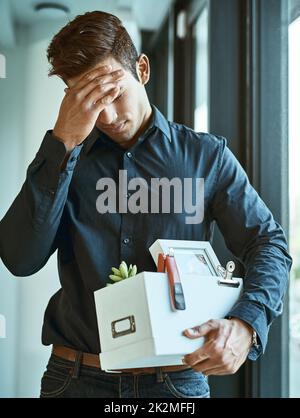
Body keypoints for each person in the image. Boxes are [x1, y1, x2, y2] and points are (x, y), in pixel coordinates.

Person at [0, 11, 292, 398]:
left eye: (114, 93)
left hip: (174, 383)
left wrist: (247, 324)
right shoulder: (64, 160)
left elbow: (268, 244)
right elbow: (20, 259)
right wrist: (63, 142)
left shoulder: (207, 157)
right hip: (74, 379)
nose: (105, 116)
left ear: (142, 69)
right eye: (88, 99)